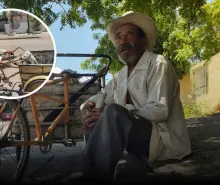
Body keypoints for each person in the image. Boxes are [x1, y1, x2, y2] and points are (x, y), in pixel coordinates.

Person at [77, 11, 192, 182]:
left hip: (161, 139)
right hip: (137, 140)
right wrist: (89, 107)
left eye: (129, 35)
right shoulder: (120, 76)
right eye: (119, 37)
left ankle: (94, 177)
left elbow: (160, 110)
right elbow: (102, 95)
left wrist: (122, 112)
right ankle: (90, 172)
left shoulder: (158, 64)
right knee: (97, 117)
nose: (122, 42)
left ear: (142, 40)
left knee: (112, 112)